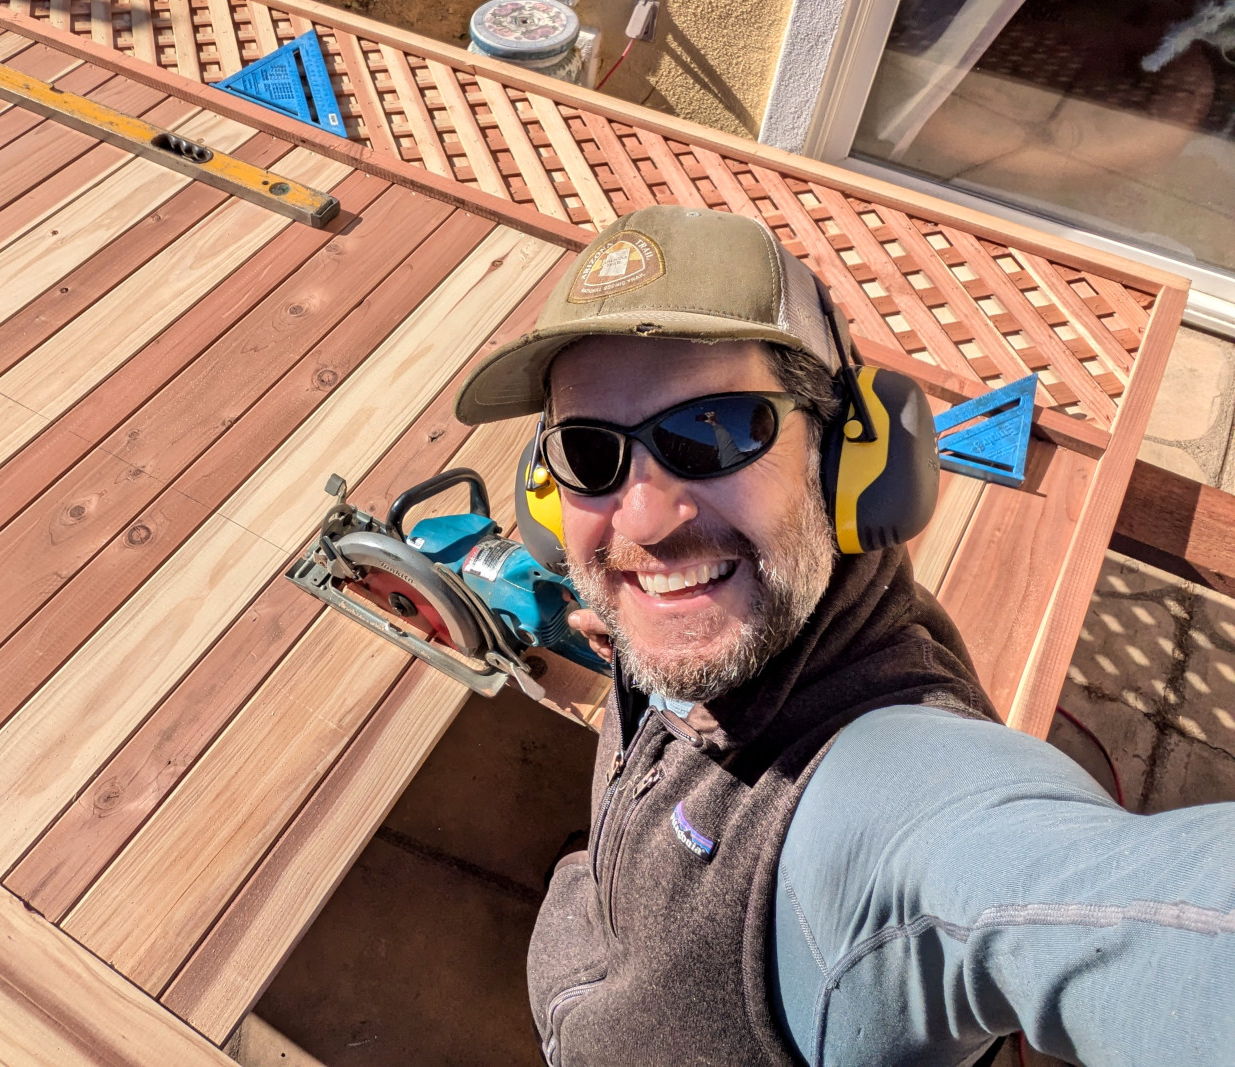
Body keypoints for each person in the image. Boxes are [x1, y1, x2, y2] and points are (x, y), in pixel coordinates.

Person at [452, 205, 1235, 1067]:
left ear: (847, 460)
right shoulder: (726, 613)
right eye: (591, 453)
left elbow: (1106, 908)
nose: (644, 515)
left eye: (715, 430)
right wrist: (649, 632)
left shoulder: (879, 797)